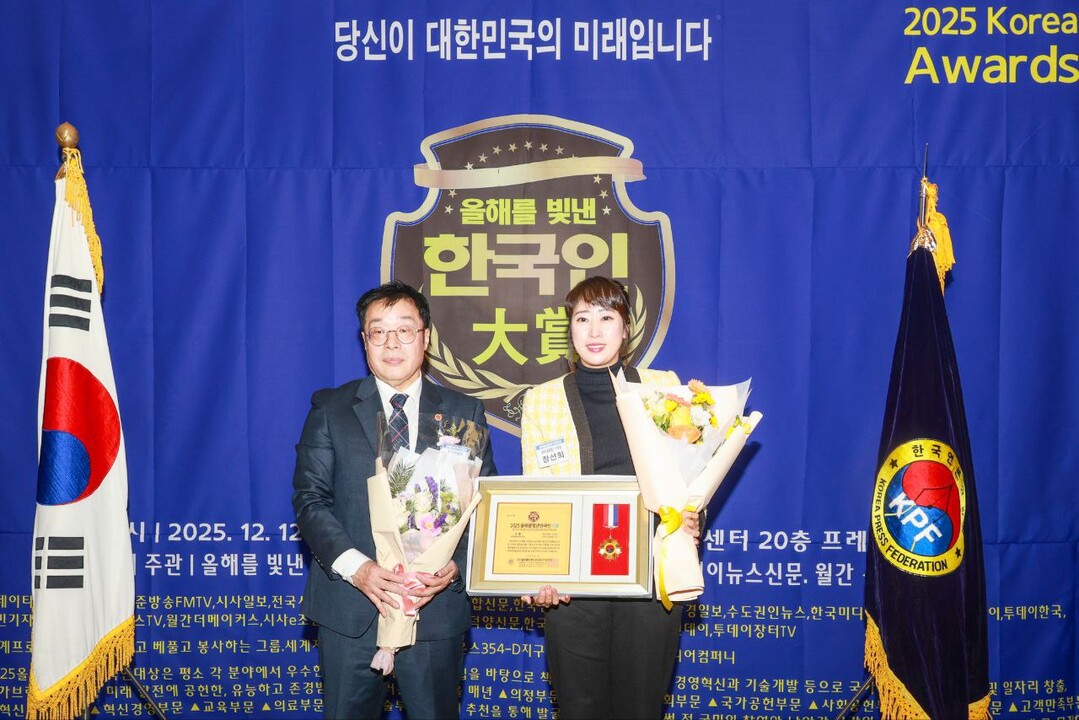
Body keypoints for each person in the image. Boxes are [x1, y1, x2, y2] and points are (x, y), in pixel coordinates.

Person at [292, 280, 497, 720]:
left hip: (433, 609)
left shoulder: (464, 413)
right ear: (363, 340)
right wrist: (359, 569)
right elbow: (310, 501)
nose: (391, 343)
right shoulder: (330, 409)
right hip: (351, 610)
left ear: (426, 337)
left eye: (404, 330)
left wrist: (454, 564)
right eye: (378, 331)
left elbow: (484, 506)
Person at [519, 276, 700, 720]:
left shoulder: (663, 388)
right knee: (579, 707)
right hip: (573, 585)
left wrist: (690, 516)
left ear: (626, 328)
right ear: (570, 329)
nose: (594, 331)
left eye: (606, 317)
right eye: (583, 319)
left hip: (650, 574)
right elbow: (535, 495)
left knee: (640, 707)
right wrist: (535, 569)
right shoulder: (541, 401)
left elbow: (689, 473)